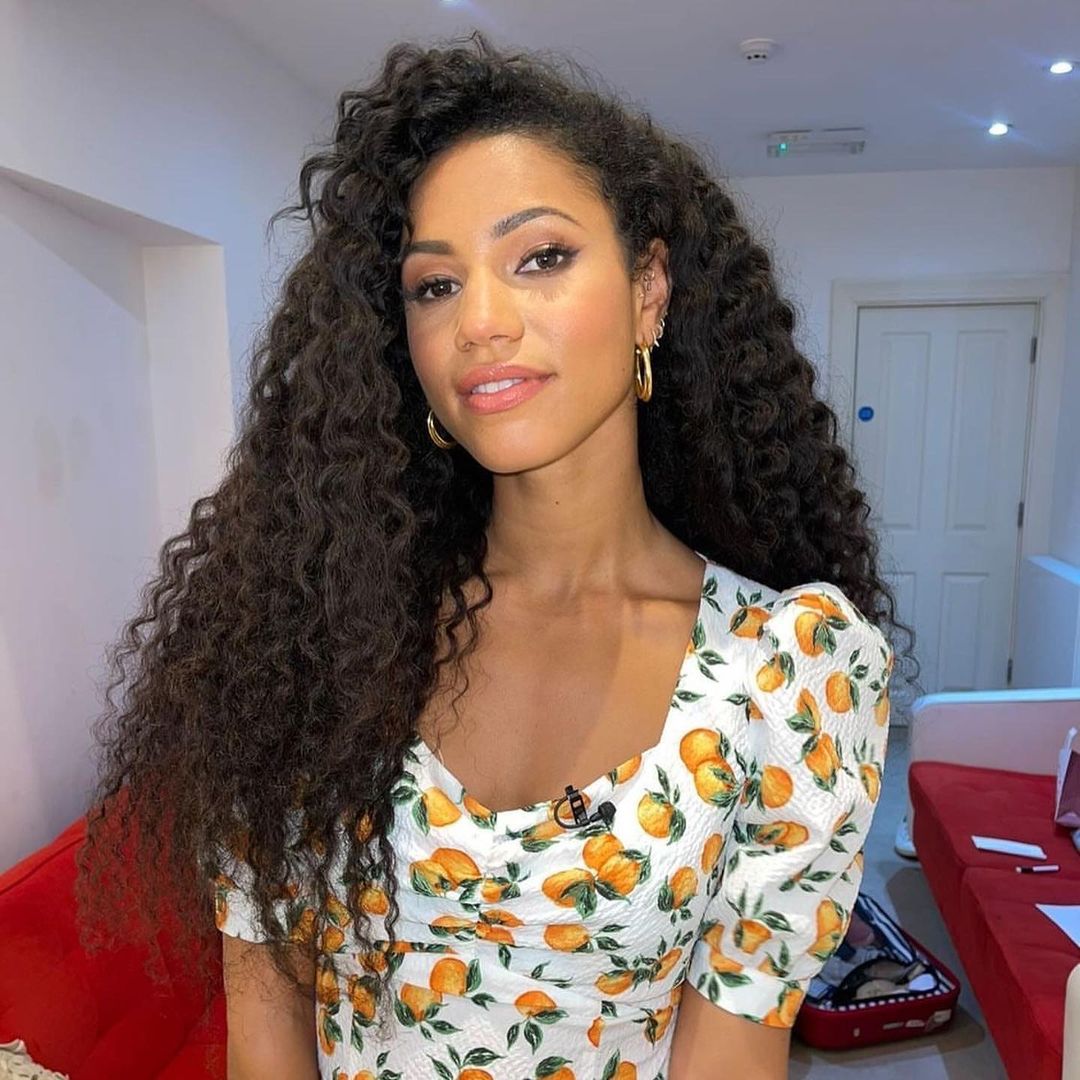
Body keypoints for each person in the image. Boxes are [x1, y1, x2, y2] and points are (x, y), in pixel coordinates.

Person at [76, 30, 913, 1080]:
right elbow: (268, 1024)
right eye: (434, 285)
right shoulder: (307, 630)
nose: (479, 321)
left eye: (541, 258)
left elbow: (733, 1059)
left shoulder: (787, 672)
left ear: (649, 289)